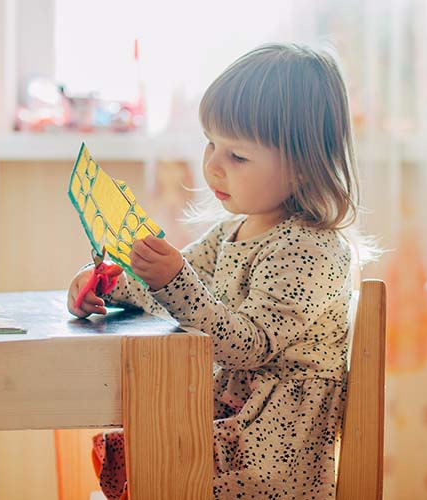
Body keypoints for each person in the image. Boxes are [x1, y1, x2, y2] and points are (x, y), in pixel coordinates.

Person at [68, 42, 370, 500]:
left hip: (270, 454)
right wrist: (110, 285)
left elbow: (247, 345)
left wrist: (172, 279)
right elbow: (172, 292)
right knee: (144, 436)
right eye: (211, 143)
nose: (212, 165)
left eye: (238, 157)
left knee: (154, 449)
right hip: (229, 424)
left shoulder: (312, 249)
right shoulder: (232, 230)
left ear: (304, 167)